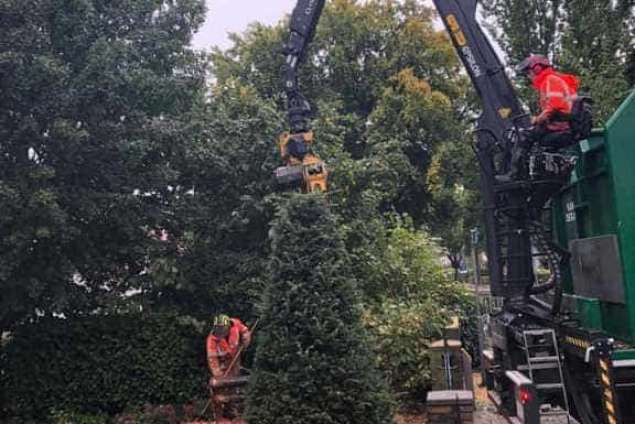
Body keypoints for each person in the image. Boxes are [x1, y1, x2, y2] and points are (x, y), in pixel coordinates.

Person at [497, 54, 581, 182]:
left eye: (528, 73)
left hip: (561, 125)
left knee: (524, 137)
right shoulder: (555, 80)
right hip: (563, 124)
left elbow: (553, 108)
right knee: (535, 138)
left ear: (536, 69)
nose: (529, 77)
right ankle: (538, 171)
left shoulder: (550, 81)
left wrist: (536, 119)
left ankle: (515, 175)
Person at [206, 314, 252, 378]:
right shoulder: (212, 340)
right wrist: (218, 374)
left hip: (236, 359)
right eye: (219, 328)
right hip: (224, 364)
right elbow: (212, 359)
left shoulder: (235, 323)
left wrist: (245, 341)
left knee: (237, 374)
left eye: (222, 328)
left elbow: (245, 331)